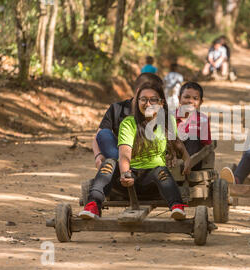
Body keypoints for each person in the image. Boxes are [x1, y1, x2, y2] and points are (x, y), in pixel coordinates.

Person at [80, 74, 192, 220]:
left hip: (153, 182)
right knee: (109, 164)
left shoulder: (168, 120)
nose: (148, 104)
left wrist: (187, 158)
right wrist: (125, 174)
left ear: (161, 102)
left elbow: (177, 142)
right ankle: (93, 205)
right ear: (137, 100)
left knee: (161, 170)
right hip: (128, 181)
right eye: (143, 99)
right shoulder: (128, 123)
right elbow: (124, 153)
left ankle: (177, 206)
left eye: (153, 100)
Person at [92, 74, 164, 170]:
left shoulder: (157, 110)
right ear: (139, 92)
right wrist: (98, 155)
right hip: (121, 154)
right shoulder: (117, 108)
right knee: (103, 134)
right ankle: (123, 166)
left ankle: (127, 167)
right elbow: (98, 136)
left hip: (148, 155)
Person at [176, 82, 212, 170]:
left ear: (200, 102)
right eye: (186, 97)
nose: (190, 101)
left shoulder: (202, 119)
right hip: (172, 158)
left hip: (193, 161)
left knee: (193, 137)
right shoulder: (170, 117)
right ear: (179, 98)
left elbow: (206, 145)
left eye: (195, 98)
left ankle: (185, 165)